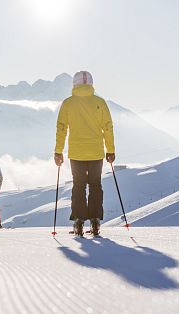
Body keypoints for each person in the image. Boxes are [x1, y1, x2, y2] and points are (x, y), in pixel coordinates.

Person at [54, 71, 115, 236]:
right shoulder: (100, 102)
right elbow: (108, 127)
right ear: (91, 84)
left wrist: (58, 151)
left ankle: (79, 221)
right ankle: (95, 221)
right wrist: (110, 149)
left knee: (79, 186)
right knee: (96, 185)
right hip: (96, 152)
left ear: (74, 84)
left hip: (77, 153)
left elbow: (61, 128)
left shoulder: (68, 103)